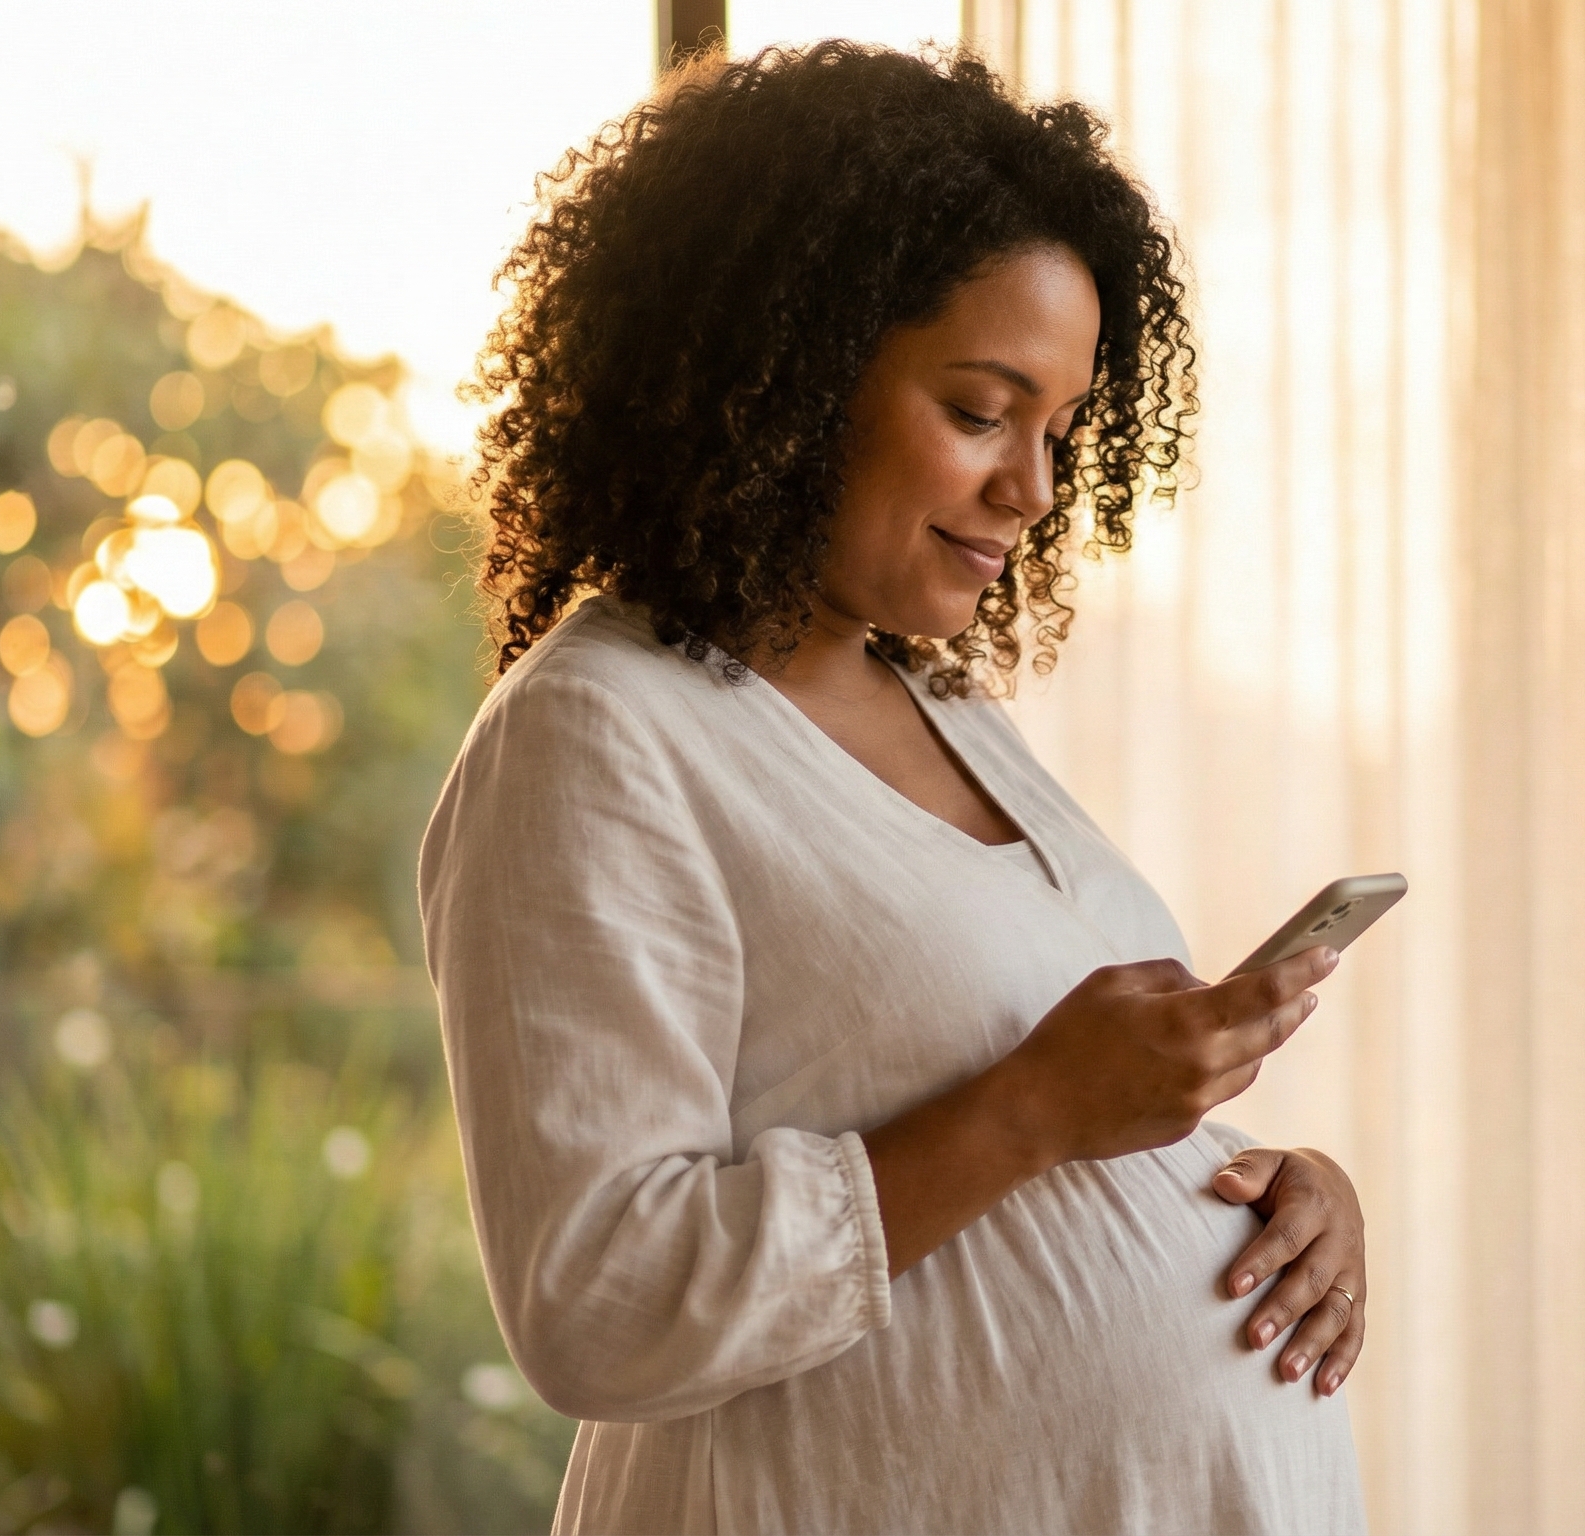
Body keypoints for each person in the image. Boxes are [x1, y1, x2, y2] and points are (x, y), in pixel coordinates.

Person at [418, 43, 1368, 1534]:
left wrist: (1275, 1192)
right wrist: (1032, 1113)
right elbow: (597, 1301)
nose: (1036, 490)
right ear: (783, 375)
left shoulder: (943, 705)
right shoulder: (601, 736)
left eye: (1061, 430)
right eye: (984, 412)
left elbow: (1018, 1116)